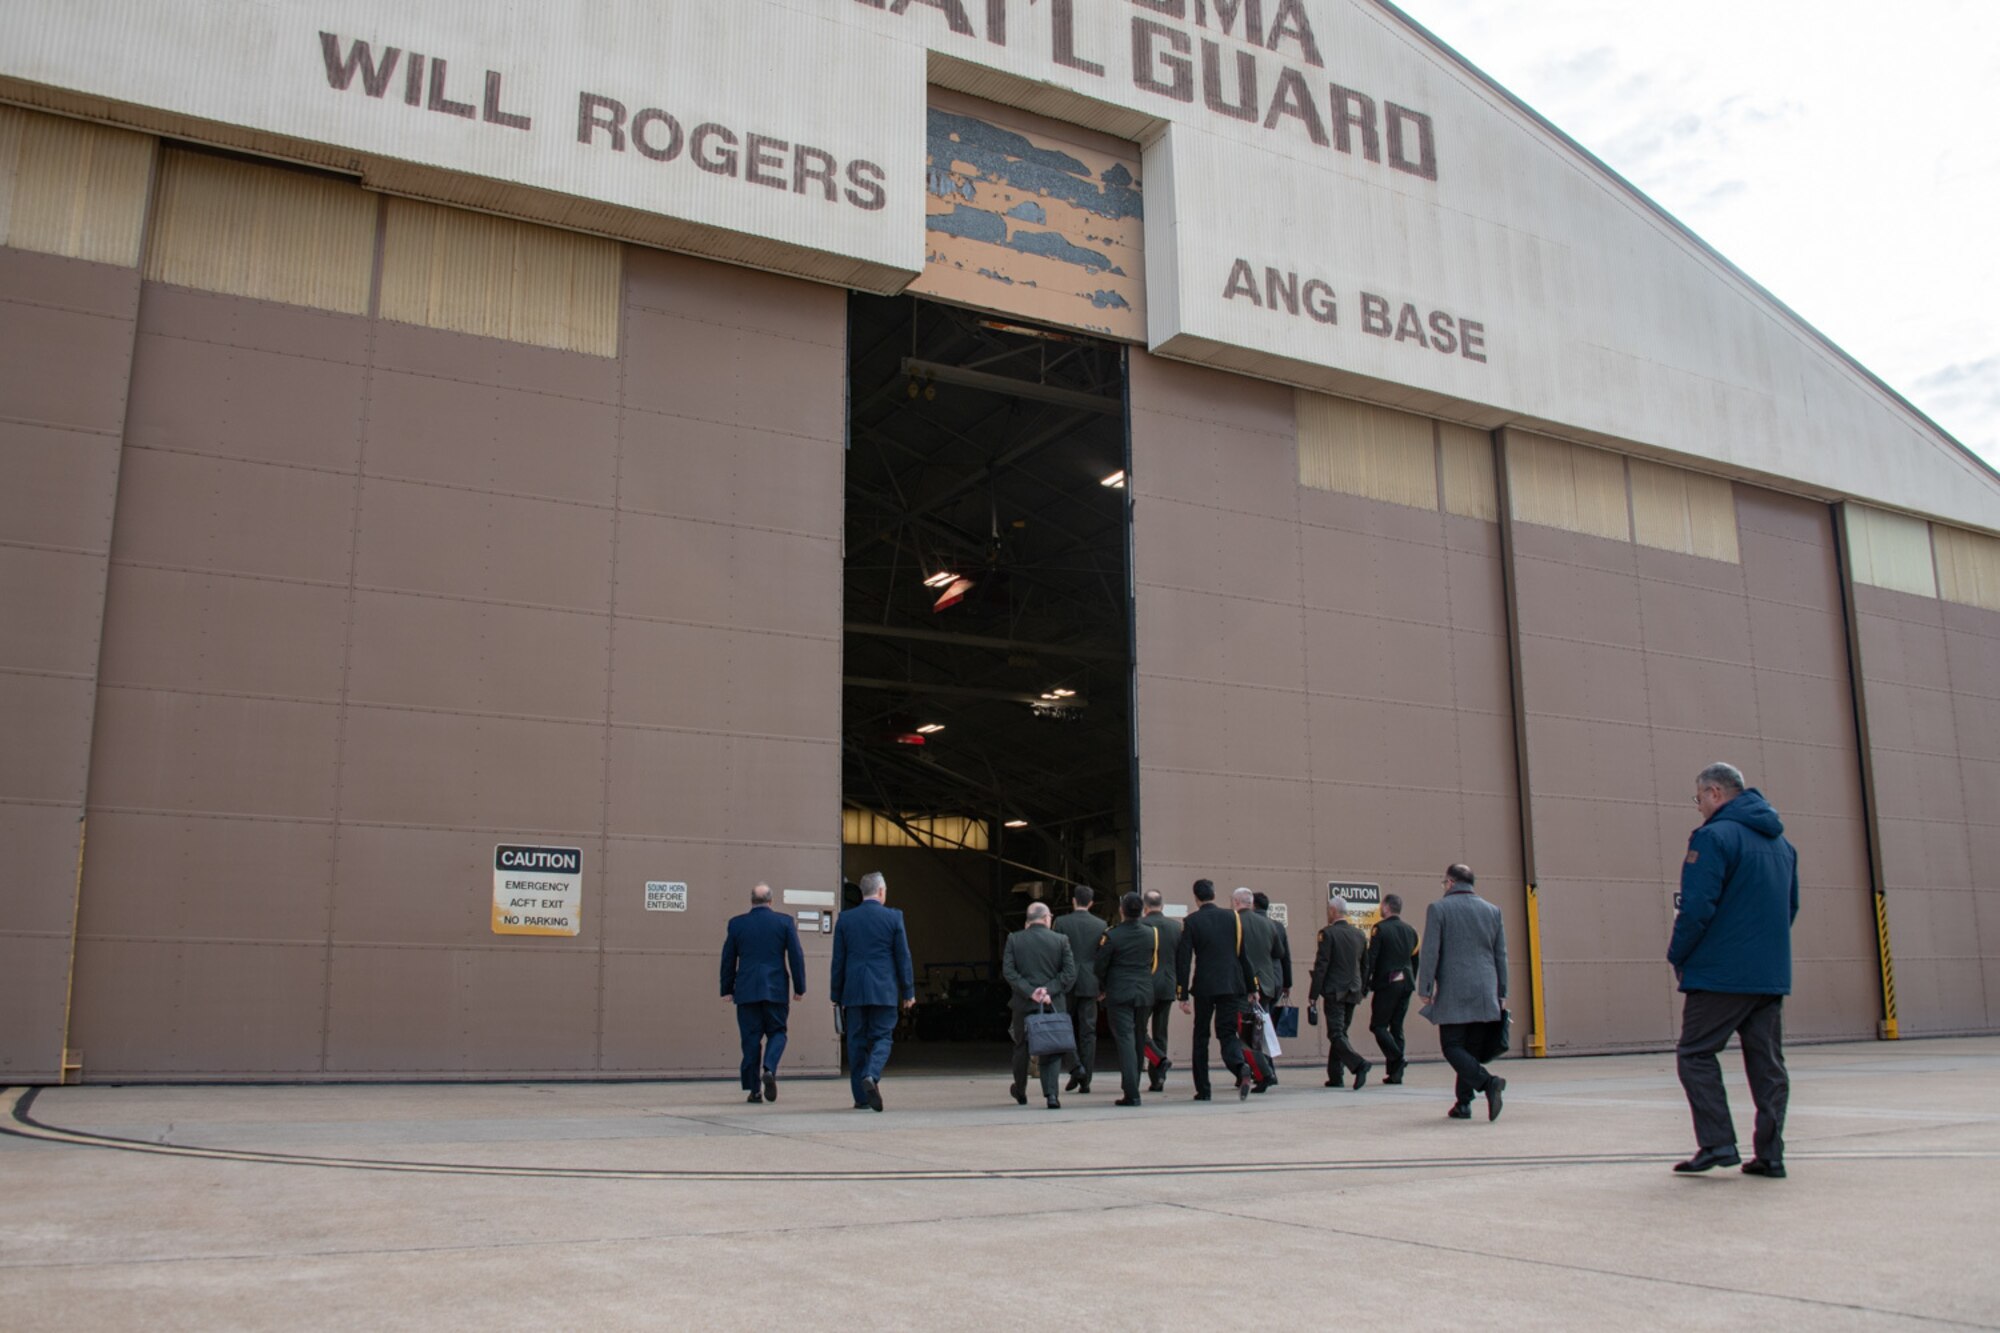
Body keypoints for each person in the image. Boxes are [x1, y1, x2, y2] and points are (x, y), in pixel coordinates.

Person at [1668, 762, 1799, 1179]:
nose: (1699, 808)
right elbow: (1790, 907)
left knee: (1695, 1054)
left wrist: (1679, 954)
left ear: (1715, 793)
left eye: (1698, 799)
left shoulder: (1712, 838)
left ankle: (1718, 1142)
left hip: (1720, 973)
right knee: (1768, 1064)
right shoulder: (1783, 846)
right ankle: (1771, 1154)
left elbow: (1696, 907)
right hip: (1768, 974)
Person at [1417, 864, 1508, 1121]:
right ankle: (1463, 1104)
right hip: (1485, 991)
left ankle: (1489, 1083)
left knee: (1453, 1046)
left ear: (1450, 882)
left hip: (1454, 989)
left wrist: (1425, 987)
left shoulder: (1439, 909)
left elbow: (1431, 951)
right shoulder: (1492, 911)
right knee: (1469, 1049)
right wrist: (1502, 991)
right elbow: (1500, 954)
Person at [829, 871, 914, 1112]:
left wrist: (835, 994)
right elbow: (902, 957)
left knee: (856, 1042)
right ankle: (872, 1075)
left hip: (854, 991)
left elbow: (838, 961)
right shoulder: (894, 918)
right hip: (883, 989)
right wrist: (908, 992)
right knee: (883, 1037)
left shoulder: (845, 919)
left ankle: (861, 1098)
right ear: (881, 891)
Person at [719, 882, 806, 1104]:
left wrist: (726, 989)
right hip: (775, 989)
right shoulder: (784, 922)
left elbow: (728, 958)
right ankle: (769, 1067)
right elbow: (796, 956)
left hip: (747, 990)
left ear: (751, 900)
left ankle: (754, 1090)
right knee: (778, 1032)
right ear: (771, 900)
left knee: (750, 1039)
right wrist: (799, 987)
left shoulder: (737, 924)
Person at [1175, 879, 1261, 1101]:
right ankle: (1239, 1066)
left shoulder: (1191, 921)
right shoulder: (1233, 917)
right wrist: (1253, 987)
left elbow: (1184, 960)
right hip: (1232, 984)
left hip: (1204, 985)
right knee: (1227, 1031)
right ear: (1214, 894)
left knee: (1201, 1036)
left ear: (1196, 898)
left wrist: (1182, 994)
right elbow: (1244, 955)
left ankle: (1203, 1090)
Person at [1003, 901, 1077, 1109]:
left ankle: (1020, 1090)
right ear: (1046, 918)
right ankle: (1051, 1095)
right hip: (1052, 1003)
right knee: (1051, 1048)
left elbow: (1009, 972)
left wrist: (1030, 991)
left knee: (1021, 1047)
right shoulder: (1061, 940)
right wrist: (1048, 991)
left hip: (1023, 1003)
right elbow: (1069, 973)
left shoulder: (1014, 939)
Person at [1095, 892, 1162, 1107]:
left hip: (1119, 992)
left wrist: (1104, 987)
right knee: (1139, 1039)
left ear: (1122, 911)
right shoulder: (1151, 933)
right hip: (1143, 992)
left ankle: (1131, 1092)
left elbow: (1100, 966)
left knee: (1125, 1040)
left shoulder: (1112, 935)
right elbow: (1153, 962)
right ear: (1142, 911)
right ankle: (1135, 1085)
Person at [1309, 897, 1372, 1089]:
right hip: (1353, 990)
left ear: (1334, 911)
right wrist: (1362, 989)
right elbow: (1365, 965)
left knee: (1335, 1034)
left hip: (1334, 991)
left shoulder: (1328, 934)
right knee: (1340, 1033)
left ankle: (1358, 1064)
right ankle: (1336, 1075)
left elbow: (1322, 966)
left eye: (1329, 910)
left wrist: (1313, 994)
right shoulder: (1359, 934)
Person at [1052, 885, 1104, 1094]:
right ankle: (1086, 1079)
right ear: (1091, 903)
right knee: (1088, 1032)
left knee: (1063, 1026)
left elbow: (1055, 953)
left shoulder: (1062, 923)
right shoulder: (1101, 925)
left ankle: (1075, 1067)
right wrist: (1102, 985)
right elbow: (1102, 957)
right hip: (1090, 982)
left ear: (1074, 901)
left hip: (1066, 981)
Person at [1364, 893, 1419, 1084]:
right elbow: (1415, 959)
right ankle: (1396, 1074)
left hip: (1388, 982)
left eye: (1382, 906)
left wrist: (1365, 982)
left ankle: (1397, 1058)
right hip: (1407, 983)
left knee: (1378, 1026)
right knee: (1397, 1027)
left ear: (1387, 907)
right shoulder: (1411, 931)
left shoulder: (1381, 929)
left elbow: (1372, 959)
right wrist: (1412, 979)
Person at [1234, 887, 1284, 1090]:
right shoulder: (1269, 924)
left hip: (1244, 985)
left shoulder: (1235, 922)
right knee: (1259, 1031)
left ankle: (1263, 1073)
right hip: (1266, 983)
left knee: (1245, 1033)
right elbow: (1278, 952)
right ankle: (1263, 1071)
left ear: (1237, 902)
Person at [1141, 890, 1181, 1090]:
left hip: (1145, 985)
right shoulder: (1176, 927)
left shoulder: (1141, 926)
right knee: (1161, 1031)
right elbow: (1181, 960)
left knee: (1138, 1029)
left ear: (1145, 907)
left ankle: (1158, 1059)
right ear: (1162, 906)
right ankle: (1158, 1079)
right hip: (1167, 983)